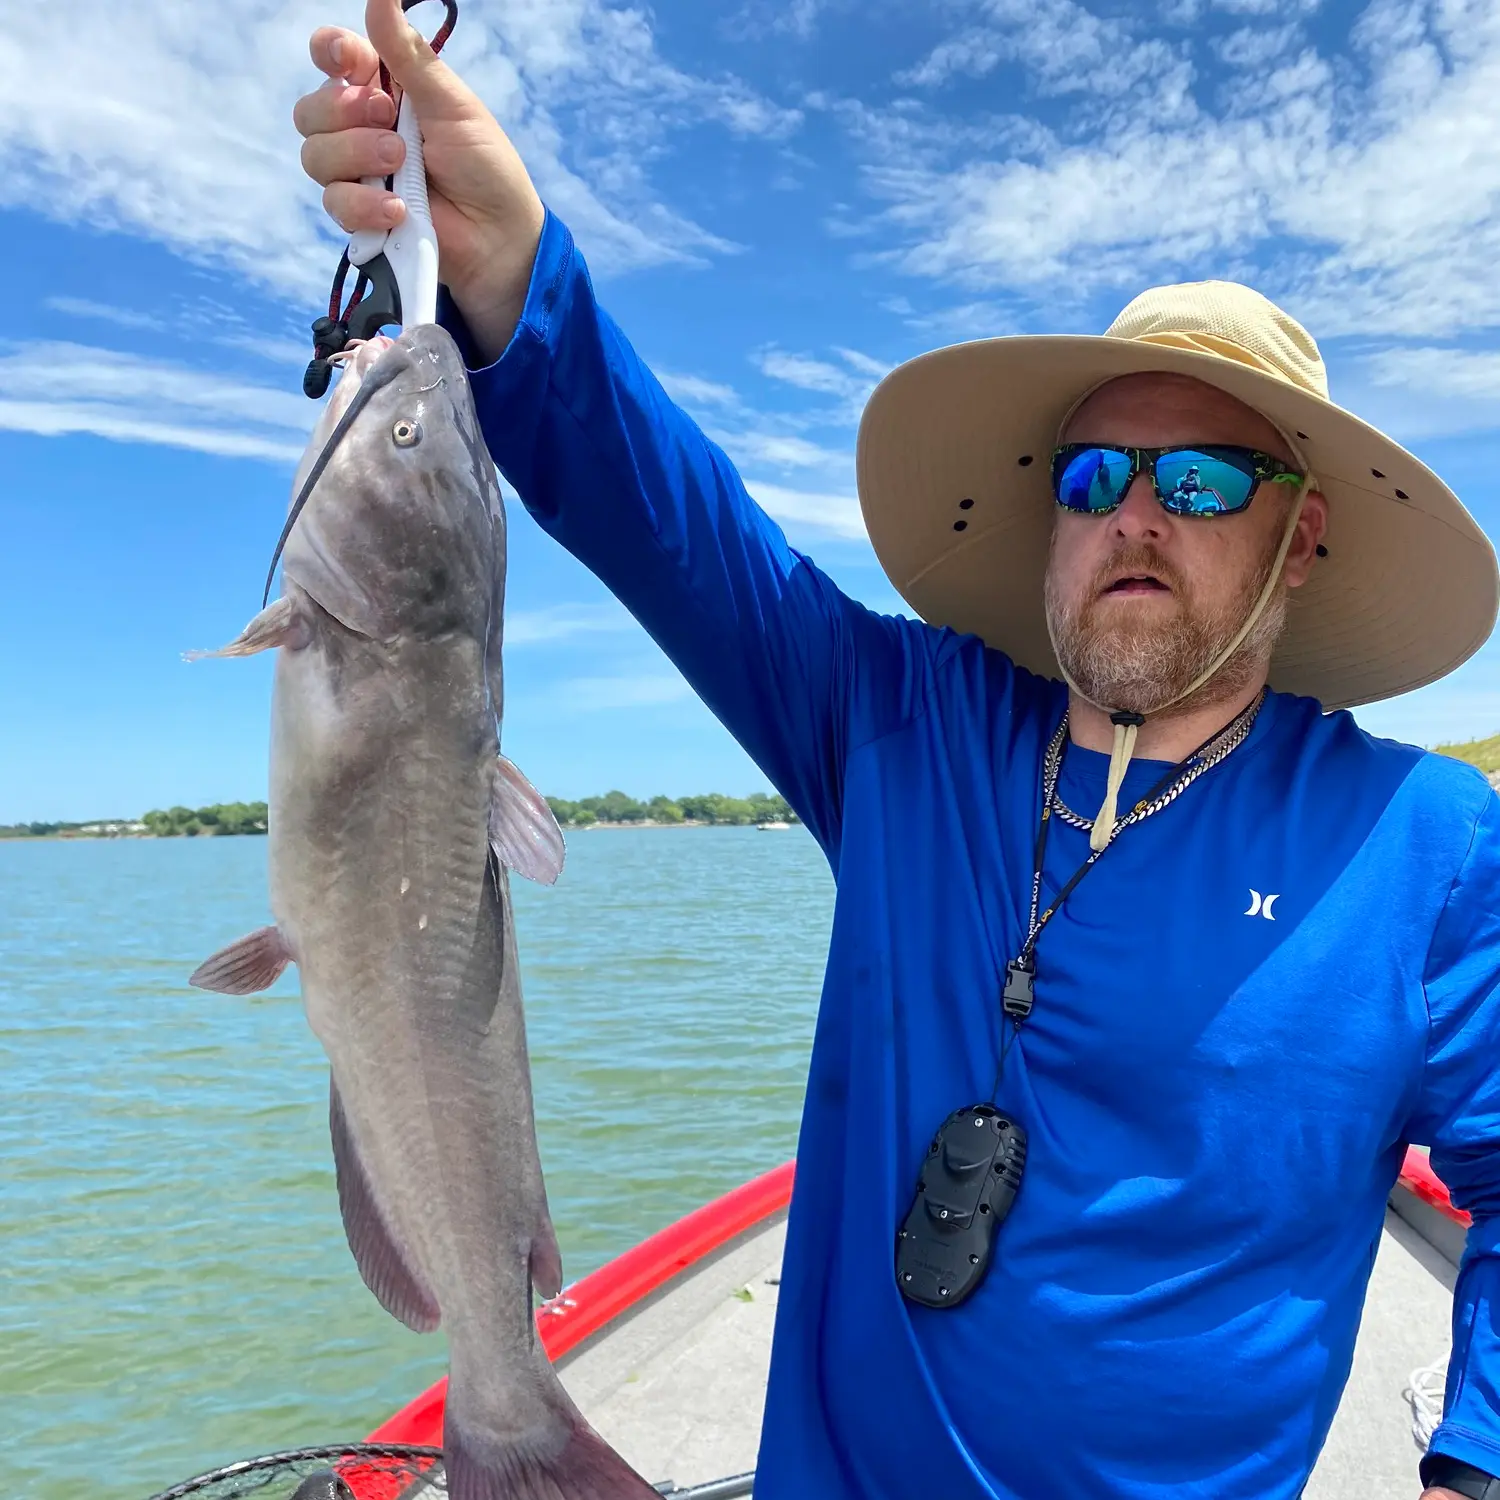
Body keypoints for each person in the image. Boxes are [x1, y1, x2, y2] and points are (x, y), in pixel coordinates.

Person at [292, 5, 1500, 1497]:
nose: (1136, 511)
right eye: (1094, 473)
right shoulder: (903, 724)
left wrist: (1473, 1463)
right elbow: (680, 528)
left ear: (1298, 541)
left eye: (1200, 477)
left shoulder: (1427, 844)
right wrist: (502, 261)